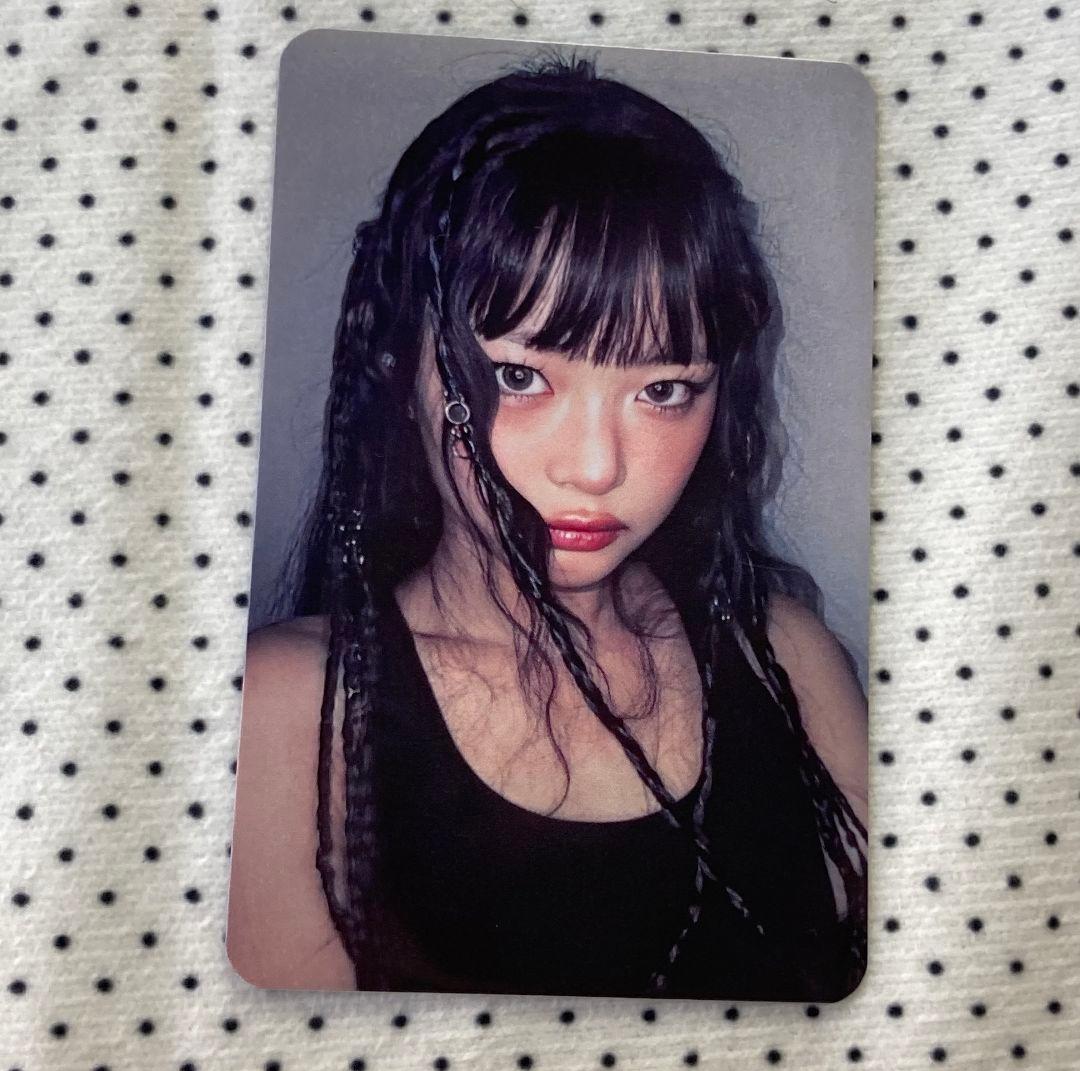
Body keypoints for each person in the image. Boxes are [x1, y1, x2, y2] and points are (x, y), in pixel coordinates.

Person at [226, 48, 869, 1002]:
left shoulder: (788, 657)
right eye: (521, 376)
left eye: (664, 389)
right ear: (403, 365)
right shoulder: (289, 712)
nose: (596, 468)